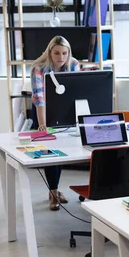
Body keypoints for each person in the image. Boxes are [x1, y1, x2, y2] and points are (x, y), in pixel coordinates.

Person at [31, 36, 81, 210]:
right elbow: (39, 98)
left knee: (65, 150)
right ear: (50, 53)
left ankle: (56, 191)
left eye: (64, 53)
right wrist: (43, 125)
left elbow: (77, 91)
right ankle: (53, 192)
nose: (61, 57)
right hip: (45, 111)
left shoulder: (73, 65)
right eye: (57, 53)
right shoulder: (39, 69)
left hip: (66, 109)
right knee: (52, 153)